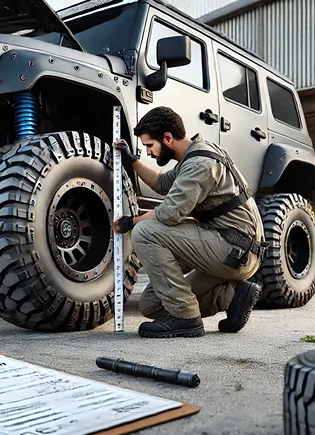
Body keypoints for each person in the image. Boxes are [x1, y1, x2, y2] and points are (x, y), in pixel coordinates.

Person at [112, 106, 266, 338]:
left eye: (149, 146)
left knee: (144, 231)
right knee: (152, 305)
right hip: (230, 250)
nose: (148, 152)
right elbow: (163, 183)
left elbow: (169, 215)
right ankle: (233, 295)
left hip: (233, 250)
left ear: (167, 138)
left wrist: (131, 221)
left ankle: (185, 319)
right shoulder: (193, 156)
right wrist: (132, 161)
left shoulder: (199, 164)